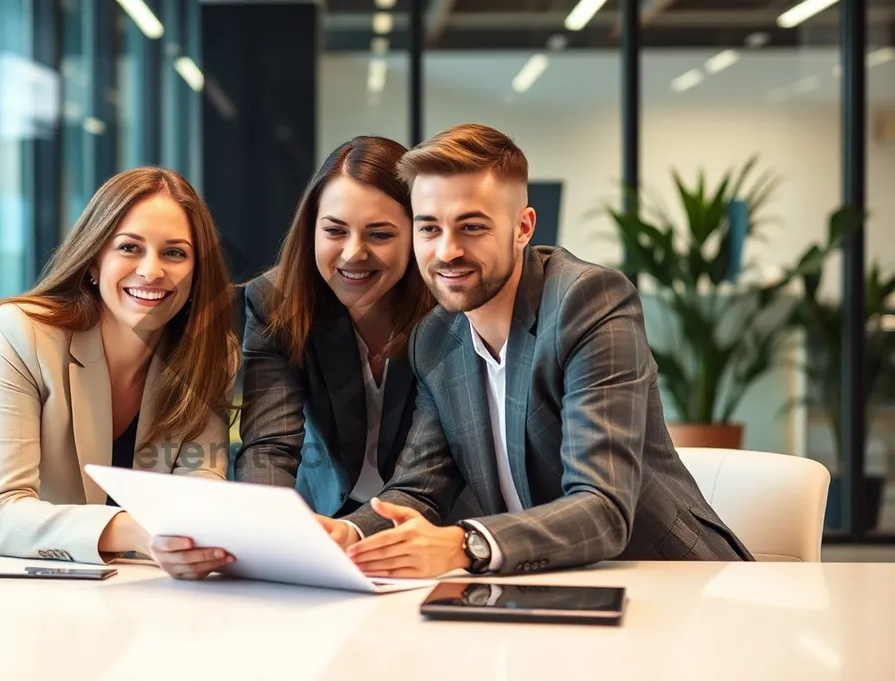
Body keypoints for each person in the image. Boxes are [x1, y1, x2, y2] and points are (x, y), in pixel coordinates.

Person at [319, 123, 754, 577]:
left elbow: (602, 507)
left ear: (523, 227)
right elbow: (421, 488)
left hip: (671, 585)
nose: (446, 251)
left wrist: (465, 545)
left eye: (471, 227)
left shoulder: (587, 302)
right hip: (546, 591)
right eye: (429, 228)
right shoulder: (436, 337)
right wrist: (348, 534)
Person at [0, 167, 241, 580]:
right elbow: (1, 513)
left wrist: (196, 537)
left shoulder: (210, 355)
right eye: (130, 247)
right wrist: (138, 532)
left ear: (196, 273)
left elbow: (200, 485)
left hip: (111, 584)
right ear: (94, 261)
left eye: (175, 253)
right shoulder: (20, 332)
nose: (152, 271)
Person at [234, 136, 438, 521]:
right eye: (335, 231)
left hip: (432, 524)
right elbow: (270, 445)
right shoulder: (274, 301)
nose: (353, 253)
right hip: (323, 517)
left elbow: (427, 469)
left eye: (380, 234)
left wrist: (356, 535)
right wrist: (266, 528)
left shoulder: (447, 310)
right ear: (311, 229)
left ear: (416, 233)